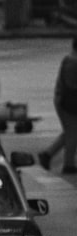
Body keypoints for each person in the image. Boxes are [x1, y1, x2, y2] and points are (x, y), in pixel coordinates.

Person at [38, 36, 77, 174]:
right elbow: (72, 85)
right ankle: (68, 165)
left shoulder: (70, 59)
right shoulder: (73, 61)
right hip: (68, 103)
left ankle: (47, 154)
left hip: (64, 101)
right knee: (73, 132)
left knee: (70, 131)